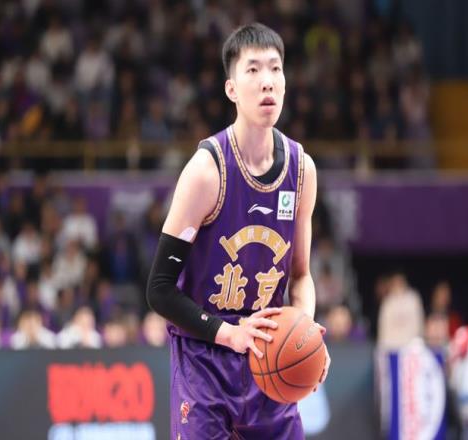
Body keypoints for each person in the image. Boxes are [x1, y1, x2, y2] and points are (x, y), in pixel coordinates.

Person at [146, 23, 330, 439]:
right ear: (231, 89)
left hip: (266, 354)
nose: (267, 81)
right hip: (204, 358)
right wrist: (230, 334)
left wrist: (304, 334)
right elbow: (159, 289)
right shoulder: (206, 171)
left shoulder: (302, 170)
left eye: (275, 69)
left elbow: (301, 275)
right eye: (253, 70)